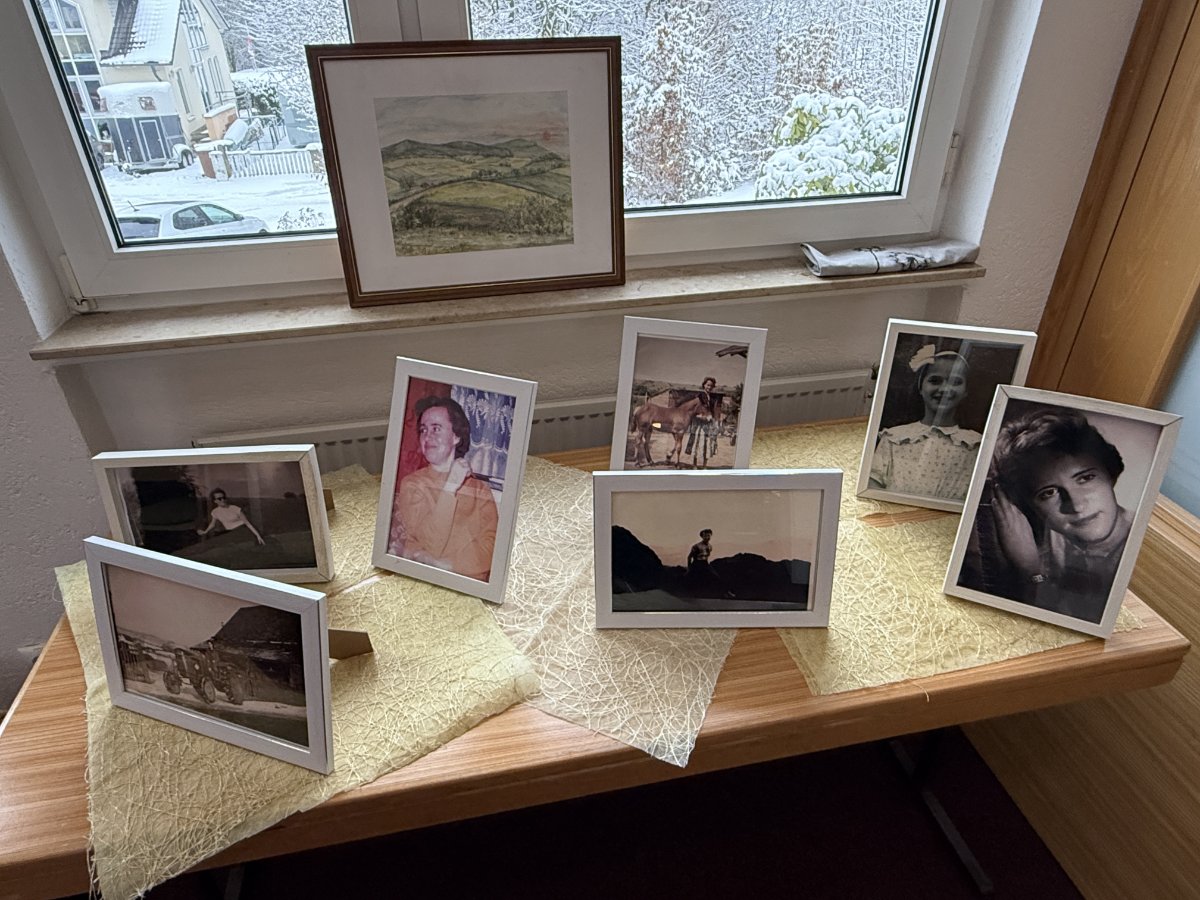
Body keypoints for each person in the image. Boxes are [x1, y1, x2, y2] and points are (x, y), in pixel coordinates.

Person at [963, 407, 1133, 623]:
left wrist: (1029, 572)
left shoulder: (1138, 546)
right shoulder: (1039, 539)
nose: (1076, 505)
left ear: (1110, 474)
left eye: (1085, 478)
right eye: (1049, 493)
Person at [389, 396, 498, 581]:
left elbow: (493, 546)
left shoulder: (479, 489)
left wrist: (448, 565)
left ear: (456, 436)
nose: (427, 436)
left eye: (436, 428)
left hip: (471, 581)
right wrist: (451, 485)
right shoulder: (413, 484)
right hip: (427, 579)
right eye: (423, 430)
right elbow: (431, 543)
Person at [869, 344, 981, 501]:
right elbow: (872, 488)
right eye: (935, 381)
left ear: (966, 391)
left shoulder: (975, 445)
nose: (945, 389)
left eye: (956, 382)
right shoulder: (894, 438)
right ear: (921, 387)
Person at [197, 488, 265, 545]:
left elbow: (248, 523)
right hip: (231, 533)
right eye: (219, 499)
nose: (223, 500)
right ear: (215, 501)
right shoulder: (215, 512)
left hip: (244, 530)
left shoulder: (235, 508)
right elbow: (212, 524)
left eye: (224, 498)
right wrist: (205, 531)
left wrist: (258, 536)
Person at [683, 376, 720, 463]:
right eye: (708, 385)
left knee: (707, 444)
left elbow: (713, 411)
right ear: (704, 385)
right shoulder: (699, 397)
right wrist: (700, 416)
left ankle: (704, 465)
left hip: (708, 424)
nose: (709, 387)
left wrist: (714, 421)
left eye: (711, 386)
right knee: (697, 442)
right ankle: (695, 464)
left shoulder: (712, 398)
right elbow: (693, 410)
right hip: (699, 424)